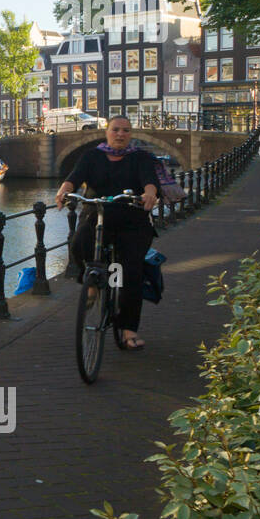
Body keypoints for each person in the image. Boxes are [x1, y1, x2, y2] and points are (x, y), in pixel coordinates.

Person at [53, 115, 159, 350]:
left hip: (131, 219)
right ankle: (91, 282)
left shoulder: (139, 157)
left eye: (126, 130)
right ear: (107, 131)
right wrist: (64, 190)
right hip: (97, 215)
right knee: (79, 242)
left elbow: (149, 180)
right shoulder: (92, 156)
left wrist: (150, 193)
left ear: (131, 134)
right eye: (116, 130)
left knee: (131, 273)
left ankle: (129, 330)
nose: (120, 134)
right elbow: (74, 178)